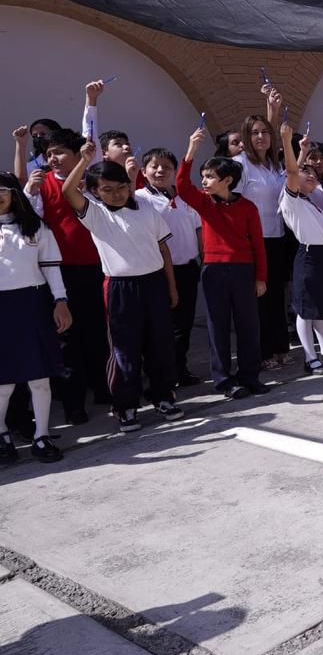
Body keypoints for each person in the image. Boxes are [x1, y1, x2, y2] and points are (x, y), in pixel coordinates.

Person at [62, 140, 182, 433]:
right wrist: (84, 160)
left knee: (161, 345)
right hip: (120, 289)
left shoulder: (145, 209)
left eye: (121, 187)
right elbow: (67, 191)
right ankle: (126, 406)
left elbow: (163, 250)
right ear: (94, 192)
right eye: (107, 189)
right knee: (125, 350)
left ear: (129, 186)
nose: (116, 194)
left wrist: (171, 287)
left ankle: (163, 397)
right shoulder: (96, 214)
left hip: (154, 283)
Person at [15, 123, 110, 424]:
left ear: (77, 154)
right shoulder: (42, 184)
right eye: (49, 154)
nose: (53, 158)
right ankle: (73, 404)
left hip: (95, 267)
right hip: (59, 274)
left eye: (59, 152)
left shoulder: (93, 180)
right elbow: (31, 224)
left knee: (97, 333)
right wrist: (30, 191)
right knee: (67, 339)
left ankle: (104, 389)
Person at [178, 128, 268, 399]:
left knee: (248, 325)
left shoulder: (248, 207)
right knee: (217, 326)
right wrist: (191, 150)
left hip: (243, 270)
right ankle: (223, 379)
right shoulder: (205, 204)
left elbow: (258, 245)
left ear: (227, 180)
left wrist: (261, 277)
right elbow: (182, 186)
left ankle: (249, 375)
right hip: (214, 271)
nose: (204, 181)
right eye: (203, 176)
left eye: (209, 177)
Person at [0, 172, 72, 463]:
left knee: (39, 378)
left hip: (32, 304)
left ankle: (42, 436)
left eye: (3, 190)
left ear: (15, 194)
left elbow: (51, 268)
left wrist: (61, 302)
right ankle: (2, 434)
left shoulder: (36, 227)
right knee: (3, 382)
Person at [136, 147, 203, 386]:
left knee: (183, 324)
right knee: (161, 326)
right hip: (159, 272)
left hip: (188, 268)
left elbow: (198, 229)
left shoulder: (183, 196)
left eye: (166, 166)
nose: (160, 171)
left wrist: (204, 259)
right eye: (154, 166)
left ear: (174, 171)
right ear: (144, 171)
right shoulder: (139, 198)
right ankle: (161, 373)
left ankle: (179, 369)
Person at [235, 88, 291, 369]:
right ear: (246, 137)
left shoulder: (274, 165)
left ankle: (280, 347)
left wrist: (273, 109)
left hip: (276, 238)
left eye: (265, 132)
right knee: (258, 300)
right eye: (255, 133)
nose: (261, 137)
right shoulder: (240, 165)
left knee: (276, 296)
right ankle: (262, 352)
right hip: (252, 242)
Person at [279, 123, 323, 372]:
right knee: (305, 310)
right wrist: (287, 142)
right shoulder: (291, 200)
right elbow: (292, 172)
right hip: (309, 257)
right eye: (307, 173)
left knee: (320, 307)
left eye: (314, 173)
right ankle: (309, 357)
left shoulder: (310, 200)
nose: (312, 175)